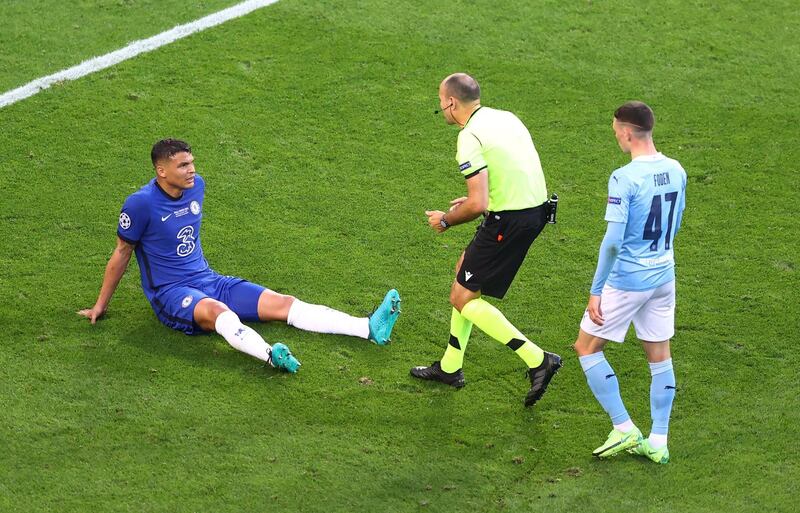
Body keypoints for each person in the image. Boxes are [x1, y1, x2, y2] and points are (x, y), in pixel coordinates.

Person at [79, 139, 401, 372]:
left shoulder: (197, 187)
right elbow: (122, 253)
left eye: (192, 162)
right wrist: (100, 306)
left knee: (282, 303)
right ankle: (270, 356)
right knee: (218, 313)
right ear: (161, 170)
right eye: (183, 165)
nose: (192, 170)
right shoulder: (140, 204)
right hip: (171, 294)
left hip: (209, 279)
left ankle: (368, 328)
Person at [410, 73, 562, 407]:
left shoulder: (469, 136)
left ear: (451, 102)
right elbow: (512, 171)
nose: (442, 110)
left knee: (463, 299)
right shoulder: (505, 117)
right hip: (532, 212)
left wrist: (447, 220)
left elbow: (477, 202)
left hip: (508, 220)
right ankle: (451, 367)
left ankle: (538, 359)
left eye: (440, 104)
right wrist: (477, 204)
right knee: (464, 273)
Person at [573, 101, 686, 464]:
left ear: (625, 132)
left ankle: (623, 427)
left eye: (615, 131)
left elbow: (613, 242)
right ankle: (659, 440)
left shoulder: (624, 177)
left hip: (627, 280)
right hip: (664, 275)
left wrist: (596, 290)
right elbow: (677, 223)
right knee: (660, 358)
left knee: (587, 347)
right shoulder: (677, 169)